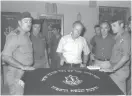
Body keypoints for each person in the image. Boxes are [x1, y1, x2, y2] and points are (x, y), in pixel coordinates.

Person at [1, 12, 35, 95]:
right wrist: (23, 66)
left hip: (25, 72)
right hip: (17, 74)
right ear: (19, 23)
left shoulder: (27, 34)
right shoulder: (15, 36)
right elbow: (5, 56)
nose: (29, 24)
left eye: (30, 21)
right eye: (26, 21)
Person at [100, 16, 131, 94]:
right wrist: (109, 64)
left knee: (119, 93)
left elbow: (126, 57)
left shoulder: (125, 37)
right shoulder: (118, 36)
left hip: (120, 70)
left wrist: (113, 69)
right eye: (111, 25)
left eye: (114, 25)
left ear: (121, 25)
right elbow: (117, 54)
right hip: (115, 69)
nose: (112, 28)